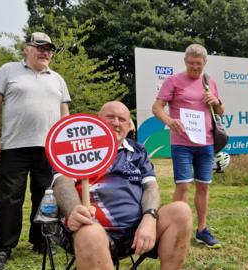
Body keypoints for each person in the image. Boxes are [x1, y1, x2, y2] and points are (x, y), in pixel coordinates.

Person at [53, 101, 192, 270]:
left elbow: (151, 188)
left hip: (137, 230)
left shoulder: (138, 151)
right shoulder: (79, 148)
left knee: (181, 211)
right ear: (97, 120)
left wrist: (149, 217)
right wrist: (73, 209)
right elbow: (62, 183)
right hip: (92, 230)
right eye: (110, 117)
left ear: (129, 126)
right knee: (90, 234)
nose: (116, 123)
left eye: (121, 119)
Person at [0, 32, 71, 270]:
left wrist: (64, 145)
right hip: (14, 146)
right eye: (40, 47)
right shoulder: (8, 70)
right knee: (9, 198)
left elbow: (65, 114)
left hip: (49, 149)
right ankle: (2, 247)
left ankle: (42, 241)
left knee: (46, 198)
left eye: (49, 49)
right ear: (26, 48)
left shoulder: (57, 79)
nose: (45, 52)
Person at [151, 44, 224, 249]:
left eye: (198, 65)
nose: (194, 68)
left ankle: (202, 231)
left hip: (206, 143)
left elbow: (220, 112)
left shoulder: (210, 82)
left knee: (203, 186)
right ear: (185, 62)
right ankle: (173, 231)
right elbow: (156, 107)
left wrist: (216, 101)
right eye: (191, 64)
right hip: (182, 143)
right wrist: (170, 121)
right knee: (183, 186)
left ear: (205, 63)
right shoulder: (173, 81)